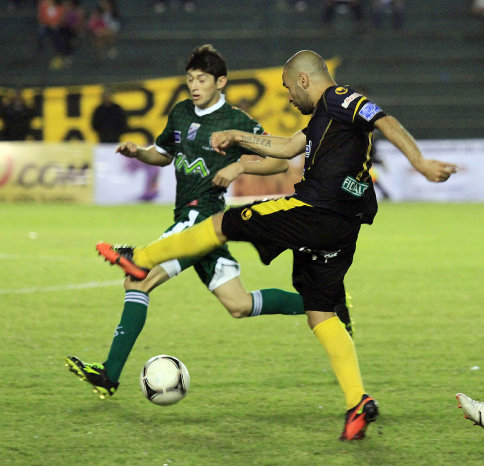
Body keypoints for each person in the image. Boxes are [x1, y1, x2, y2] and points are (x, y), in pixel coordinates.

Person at [96, 49, 457, 440]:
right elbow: (286, 147)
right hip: (344, 227)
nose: (287, 97)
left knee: (221, 223)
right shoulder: (324, 118)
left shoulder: (339, 99)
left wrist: (419, 163)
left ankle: (140, 258)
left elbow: (383, 119)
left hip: (313, 209)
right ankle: (358, 402)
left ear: (304, 80)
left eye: (288, 88)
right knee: (321, 313)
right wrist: (237, 138)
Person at [66, 45, 356, 403]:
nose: (194, 86)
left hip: (202, 215)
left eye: (202, 79)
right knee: (239, 304)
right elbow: (163, 155)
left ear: (220, 82)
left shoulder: (236, 121)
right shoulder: (181, 114)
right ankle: (325, 304)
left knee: (136, 280)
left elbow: (279, 164)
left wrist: (240, 165)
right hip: (196, 224)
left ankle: (110, 372)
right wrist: (139, 152)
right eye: (190, 79)